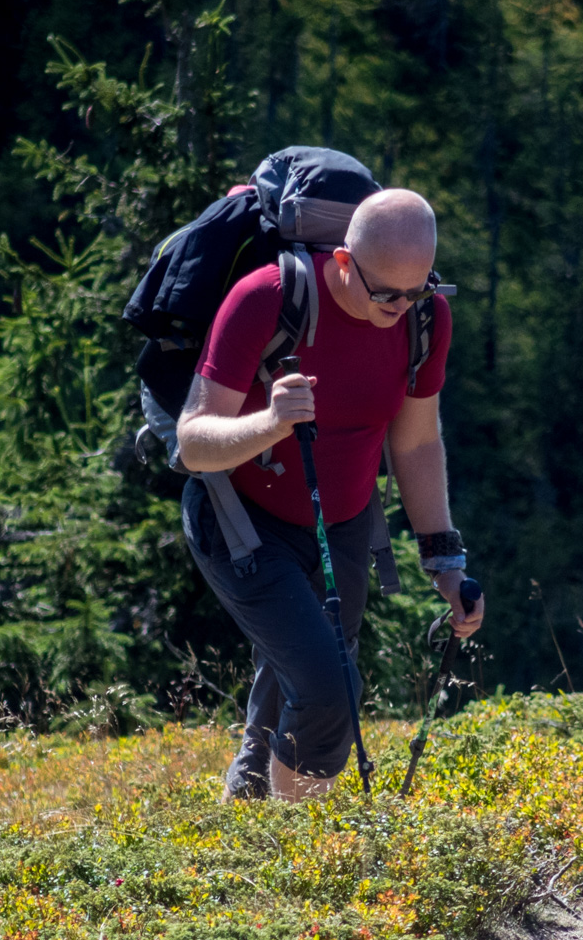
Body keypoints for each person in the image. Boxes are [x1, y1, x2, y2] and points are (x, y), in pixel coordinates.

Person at [175, 188, 484, 802]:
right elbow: (191, 444)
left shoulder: (426, 320)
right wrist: (271, 422)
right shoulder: (266, 298)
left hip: (341, 526)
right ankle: (301, 862)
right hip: (240, 521)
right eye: (385, 293)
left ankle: (247, 820)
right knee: (327, 692)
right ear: (344, 262)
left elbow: (417, 443)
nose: (402, 306)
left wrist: (445, 562)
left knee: (302, 679)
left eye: (418, 289)